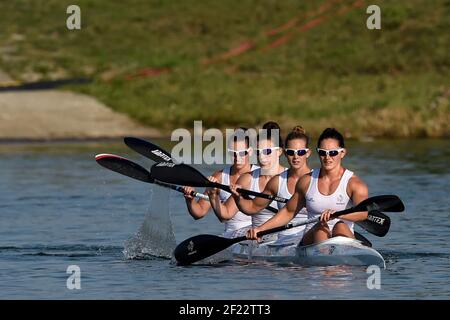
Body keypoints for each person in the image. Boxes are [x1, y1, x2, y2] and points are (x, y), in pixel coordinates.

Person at [247, 128, 369, 245]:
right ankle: (324, 259)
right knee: (321, 226)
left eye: (332, 153)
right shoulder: (307, 181)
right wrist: (260, 229)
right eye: (322, 153)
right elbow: (288, 212)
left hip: (341, 234)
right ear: (317, 152)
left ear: (342, 153)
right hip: (311, 239)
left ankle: (336, 257)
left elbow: (363, 214)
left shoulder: (354, 184)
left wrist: (338, 214)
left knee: (340, 225)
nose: (327, 157)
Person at [230, 126, 312, 241]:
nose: (296, 157)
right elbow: (252, 207)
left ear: (308, 153)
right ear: (285, 153)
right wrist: (238, 198)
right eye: (290, 152)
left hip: (311, 237)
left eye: (301, 152)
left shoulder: (317, 180)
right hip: (283, 240)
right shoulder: (277, 181)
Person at [207, 121, 286, 238]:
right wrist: (213, 196)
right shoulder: (247, 179)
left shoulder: (290, 177)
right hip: (256, 238)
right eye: (258, 151)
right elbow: (226, 215)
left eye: (267, 151)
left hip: (285, 237)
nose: (262, 156)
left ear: (279, 151)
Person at [182, 128, 255, 237]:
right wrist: (190, 200)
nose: (237, 157)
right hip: (231, 235)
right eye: (233, 153)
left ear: (250, 151)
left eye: (242, 153)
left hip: (256, 232)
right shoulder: (219, 177)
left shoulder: (259, 175)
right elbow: (199, 212)